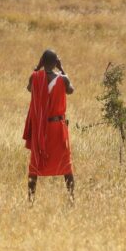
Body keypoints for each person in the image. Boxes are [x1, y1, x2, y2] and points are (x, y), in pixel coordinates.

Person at [23, 49, 75, 201]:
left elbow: (28, 88)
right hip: (57, 128)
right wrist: (62, 68)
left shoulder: (35, 77)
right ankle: (71, 199)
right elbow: (70, 90)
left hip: (41, 129)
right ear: (55, 63)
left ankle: (30, 200)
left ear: (42, 61)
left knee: (35, 164)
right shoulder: (63, 79)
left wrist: (37, 68)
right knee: (65, 165)